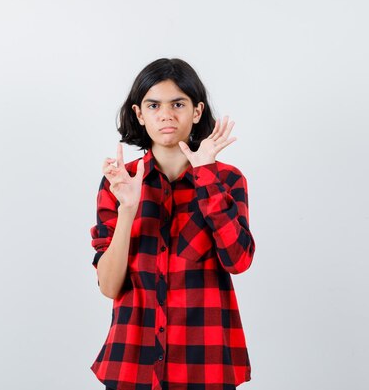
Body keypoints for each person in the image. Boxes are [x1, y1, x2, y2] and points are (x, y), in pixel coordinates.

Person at [89, 58, 256, 390]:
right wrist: (128, 209)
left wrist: (206, 178)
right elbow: (109, 286)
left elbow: (238, 261)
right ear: (140, 114)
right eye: (154, 105)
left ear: (196, 111)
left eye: (178, 103)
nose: (166, 114)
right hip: (130, 366)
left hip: (205, 365)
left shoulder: (227, 180)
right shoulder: (119, 182)